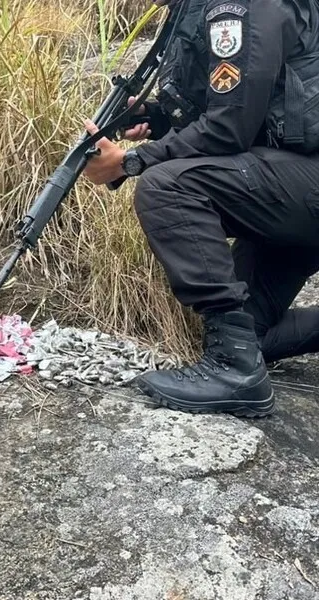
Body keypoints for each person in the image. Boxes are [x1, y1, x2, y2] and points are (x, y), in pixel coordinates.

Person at [81, 0, 319, 417]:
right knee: (250, 335)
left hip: (304, 183)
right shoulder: (193, 8)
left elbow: (230, 128)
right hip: (289, 184)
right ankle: (240, 357)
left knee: (167, 186)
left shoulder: (239, 5)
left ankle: (233, 372)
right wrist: (154, 115)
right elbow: (238, 102)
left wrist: (131, 162)